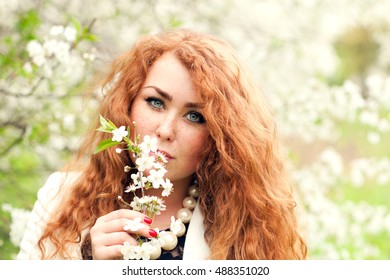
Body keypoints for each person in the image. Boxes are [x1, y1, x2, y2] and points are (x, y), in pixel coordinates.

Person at [17, 29, 307, 260]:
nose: (166, 130)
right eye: (155, 102)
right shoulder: (61, 199)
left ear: (222, 136)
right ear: (127, 104)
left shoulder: (246, 225)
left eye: (195, 116)